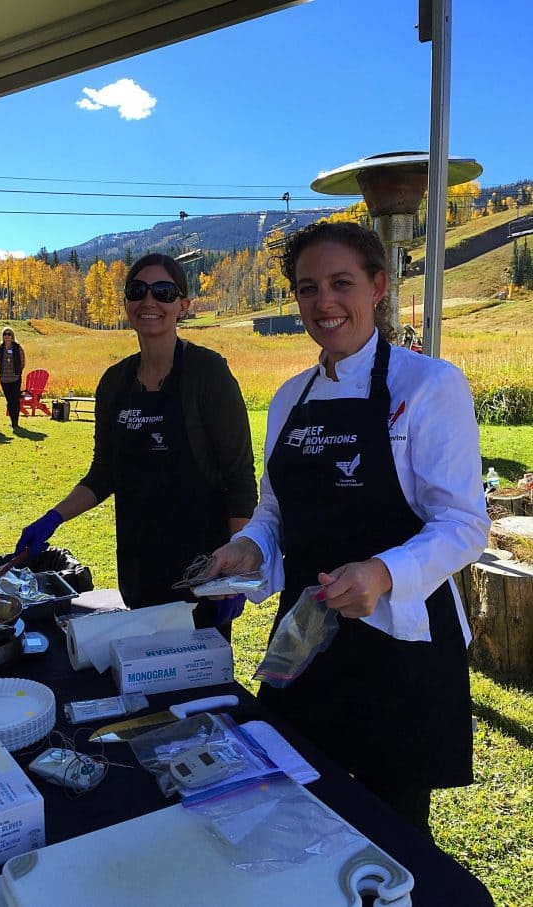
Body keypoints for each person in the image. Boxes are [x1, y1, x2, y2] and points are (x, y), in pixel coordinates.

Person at [207, 222, 489, 834]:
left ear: (378, 286)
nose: (323, 303)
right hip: (306, 643)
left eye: (341, 283)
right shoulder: (288, 397)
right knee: (299, 807)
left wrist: (383, 572)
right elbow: (275, 512)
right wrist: (246, 547)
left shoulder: (428, 385)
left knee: (396, 829)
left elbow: (464, 524)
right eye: (308, 289)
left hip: (400, 646)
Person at [15, 253, 257, 635]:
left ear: (183, 305)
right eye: (137, 290)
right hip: (138, 562)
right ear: (126, 302)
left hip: (203, 570)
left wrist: (237, 565)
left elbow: (240, 477)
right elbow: (104, 472)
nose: (149, 301)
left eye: (163, 292)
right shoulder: (115, 382)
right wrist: (53, 517)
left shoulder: (207, 373)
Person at [0, 327, 26, 429]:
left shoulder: (17, 347)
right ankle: (11, 419)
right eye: (5, 334)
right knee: (9, 400)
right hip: (4, 379)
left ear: (12, 336)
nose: (7, 336)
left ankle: (15, 422)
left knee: (15, 400)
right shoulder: (0, 348)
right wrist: (1, 374)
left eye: (9, 334)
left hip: (15, 378)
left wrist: (18, 373)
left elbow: (22, 361)